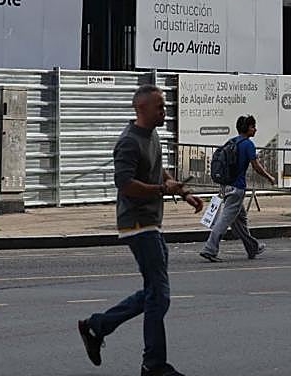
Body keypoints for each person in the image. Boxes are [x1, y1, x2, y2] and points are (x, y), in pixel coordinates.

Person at [78, 85, 203, 375]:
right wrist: (161, 189)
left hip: (150, 223)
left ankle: (97, 326)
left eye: (164, 106)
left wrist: (182, 191)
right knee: (159, 295)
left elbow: (157, 169)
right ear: (141, 108)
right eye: (159, 107)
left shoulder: (152, 135)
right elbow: (125, 184)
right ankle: (153, 364)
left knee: (153, 292)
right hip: (137, 224)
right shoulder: (129, 142)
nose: (164, 112)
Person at [199, 115, 277, 262]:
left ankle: (252, 247)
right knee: (224, 220)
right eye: (253, 127)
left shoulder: (232, 142)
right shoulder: (248, 144)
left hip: (226, 186)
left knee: (240, 220)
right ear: (247, 128)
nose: (255, 129)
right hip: (237, 188)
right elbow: (256, 166)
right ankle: (210, 249)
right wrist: (269, 177)